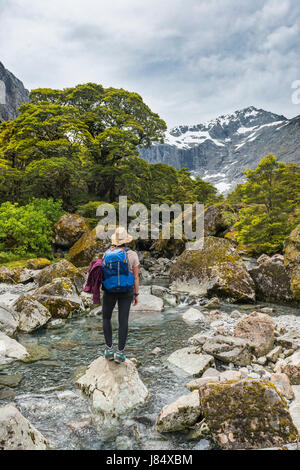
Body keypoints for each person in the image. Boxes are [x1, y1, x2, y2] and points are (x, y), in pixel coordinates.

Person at [102, 227, 139, 364]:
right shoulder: (132, 254)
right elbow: (136, 277)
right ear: (126, 240)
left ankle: (109, 350)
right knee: (123, 320)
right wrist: (136, 293)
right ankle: (120, 353)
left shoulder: (106, 253)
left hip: (109, 290)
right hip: (126, 291)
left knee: (106, 317)